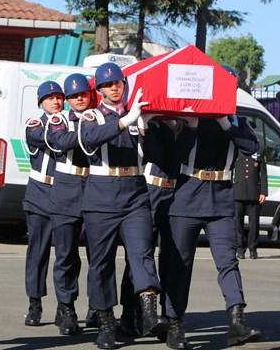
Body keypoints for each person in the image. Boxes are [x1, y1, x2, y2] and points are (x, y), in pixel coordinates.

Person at [79, 62, 163, 349]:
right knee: (101, 264)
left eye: (119, 83)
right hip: (102, 195)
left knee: (142, 253)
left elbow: (154, 157)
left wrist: (147, 127)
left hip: (135, 193)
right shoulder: (92, 115)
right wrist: (126, 121)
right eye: (108, 84)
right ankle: (105, 324)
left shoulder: (136, 115)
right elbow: (89, 139)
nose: (115, 88)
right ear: (100, 90)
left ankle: (149, 313)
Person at [163, 114, 262, 349]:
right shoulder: (189, 119)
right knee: (180, 265)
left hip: (221, 196)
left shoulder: (237, 122)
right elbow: (173, 154)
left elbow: (251, 147)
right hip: (188, 193)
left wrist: (226, 123)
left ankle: (237, 320)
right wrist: (191, 127)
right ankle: (174, 324)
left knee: (228, 261)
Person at [118, 115, 187, 338]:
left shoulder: (187, 126)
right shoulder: (151, 124)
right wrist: (148, 123)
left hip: (176, 194)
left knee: (170, 260)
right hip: (149, 192)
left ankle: (167, 318)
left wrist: (186, 127)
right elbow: (154, 154)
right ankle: (130, 315)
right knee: (139, 257)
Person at [43, 73, 93, 335]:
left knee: (98, 255)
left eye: (83, 93)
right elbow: (60, 141)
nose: (79, 99)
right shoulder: (58, 119)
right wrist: (92, 133)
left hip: (95, 187)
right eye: (73, 96)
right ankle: (67, 307)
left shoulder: (98, 116)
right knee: (66, 255)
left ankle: (97, 306)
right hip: (66, 188)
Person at [22, 80, 64, 328]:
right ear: (41, 103)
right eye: (50, 98)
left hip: (64, 194)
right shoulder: (35, 124)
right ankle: (34, 303)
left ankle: (64, 306)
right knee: (37, 253)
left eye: (59, 97)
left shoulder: (72, 123)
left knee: (65, 255)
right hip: (39, 193)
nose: (56, 102)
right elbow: (52, 140)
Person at [233, 145, 268, 260]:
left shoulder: (259, 150)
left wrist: (263, 192)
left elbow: (263, 173)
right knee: (238, 222)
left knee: (254, 223)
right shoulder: (236, 149)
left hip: (254, 192)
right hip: (238, 191)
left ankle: (253, 249)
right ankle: (240, 249)